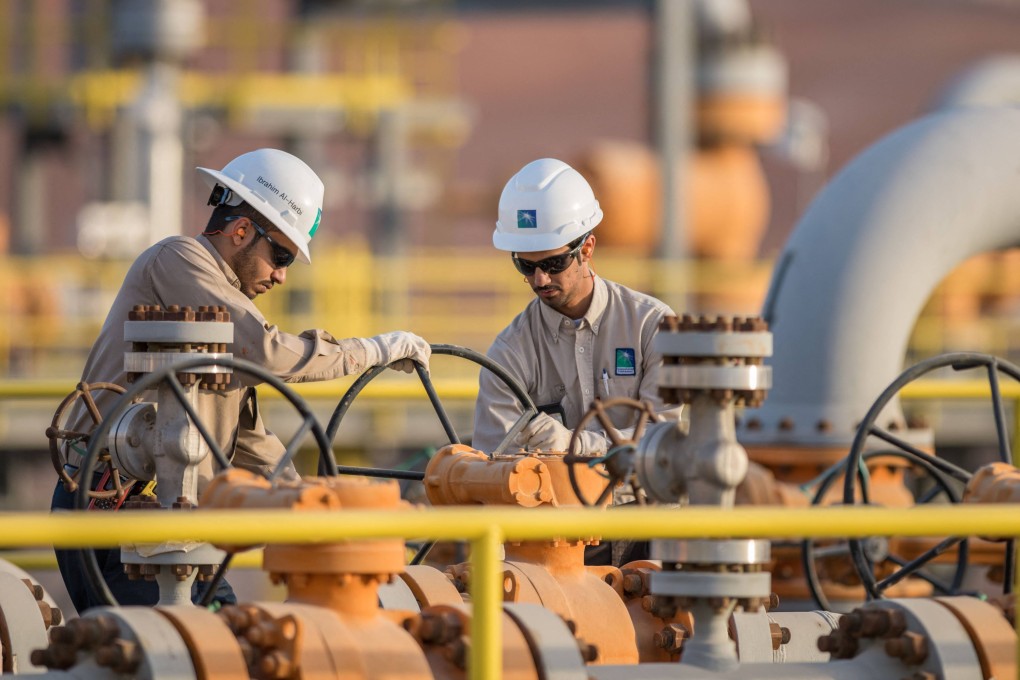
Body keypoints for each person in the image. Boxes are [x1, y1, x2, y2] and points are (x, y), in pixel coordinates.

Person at [51, 148, 431, 613]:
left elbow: (246, 439)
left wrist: (319, 508)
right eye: (281, 254)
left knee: (228, 642)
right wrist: (374, 351)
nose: (283, 275)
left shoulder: (221, 310)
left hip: (166, 524)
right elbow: (268, 352)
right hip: (109, 508)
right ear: (242, 230)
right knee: (179, 653)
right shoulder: (179, 260)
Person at [473, 157, 679, 460]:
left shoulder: (653, 326)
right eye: (525, 266)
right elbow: (493, 462)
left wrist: (577, 445)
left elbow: (663, 440)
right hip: (554, 507)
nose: (540, 279)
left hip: (641, 505)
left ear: (587, 248)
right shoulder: (510, 352)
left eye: (553, 263)